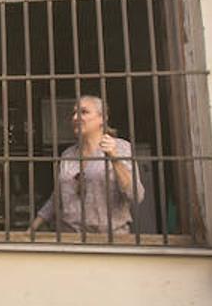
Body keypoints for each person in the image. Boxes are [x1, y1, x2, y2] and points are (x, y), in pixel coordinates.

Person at [29, 95, 144, 238]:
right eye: (74, 113)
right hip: (70, 239)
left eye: (83, 112)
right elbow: (57, 198)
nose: (76, 117)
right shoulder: (68, 155)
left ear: (103, 118)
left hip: (110, 240)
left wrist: (115, 159)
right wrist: (32, 229)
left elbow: (135, 195)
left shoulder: (121, 148)